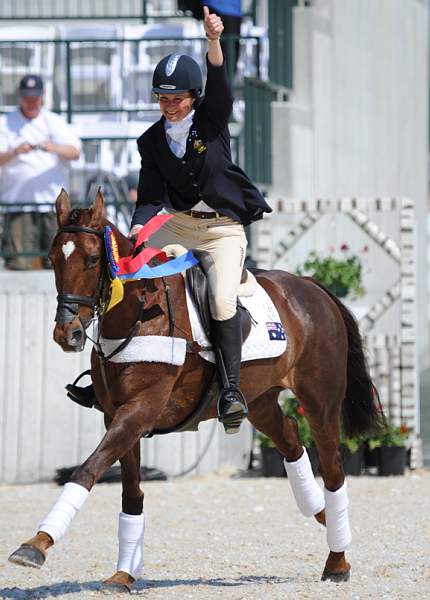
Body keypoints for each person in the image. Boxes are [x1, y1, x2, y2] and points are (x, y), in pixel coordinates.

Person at [67, 6, 272, 434]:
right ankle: (104, 379)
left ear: (193, 98)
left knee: (220, 299)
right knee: (128, 272)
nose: (169, 105)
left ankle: (231, 390)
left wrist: (214, 40)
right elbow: (150, 196)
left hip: (220, 229)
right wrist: (141, 228)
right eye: (162, 98)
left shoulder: (212, 120)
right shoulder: (151, 141)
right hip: (178, 223)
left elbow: (221, 86)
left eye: (176, 98)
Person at [0, 75, 81, 269]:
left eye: (35, 97)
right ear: (19, 96)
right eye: (27, 97)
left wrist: (52, 147)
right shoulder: (5, 122)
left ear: (43, 96)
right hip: (18, 205)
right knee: (19, 263)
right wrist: (15, 151)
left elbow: (75, 152)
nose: (31, 102)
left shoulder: (54, 121)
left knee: (59, 264)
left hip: (51, 204)